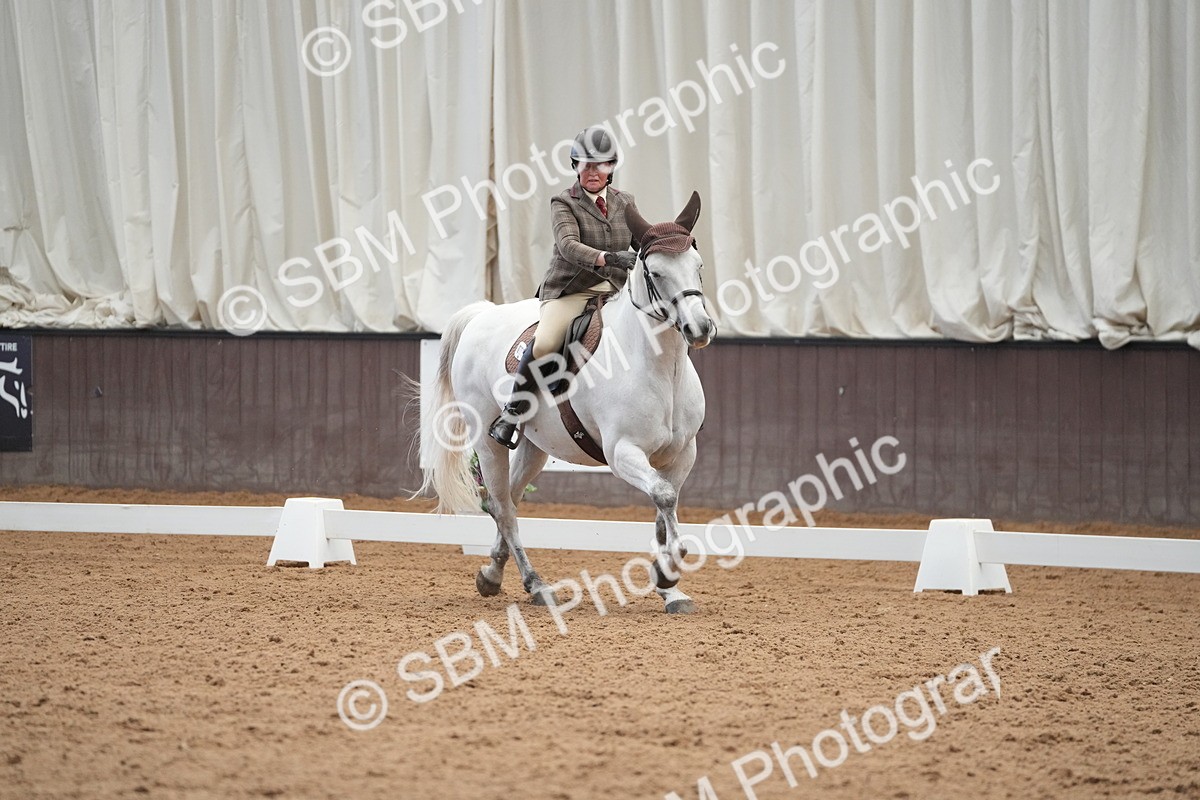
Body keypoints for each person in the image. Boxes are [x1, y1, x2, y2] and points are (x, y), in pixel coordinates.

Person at [487, 126, 640, 449]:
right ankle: (513, 412)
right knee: (544, 342)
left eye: (599, 165)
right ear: (575, 167)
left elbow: (641, 238)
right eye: (585, 164)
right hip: (572, 290)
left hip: (615, 290)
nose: (592, 171)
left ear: (611, 168)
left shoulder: (626, 202)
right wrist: (609, 257)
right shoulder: (563, 202)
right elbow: (569, 246)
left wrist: (665, 242)